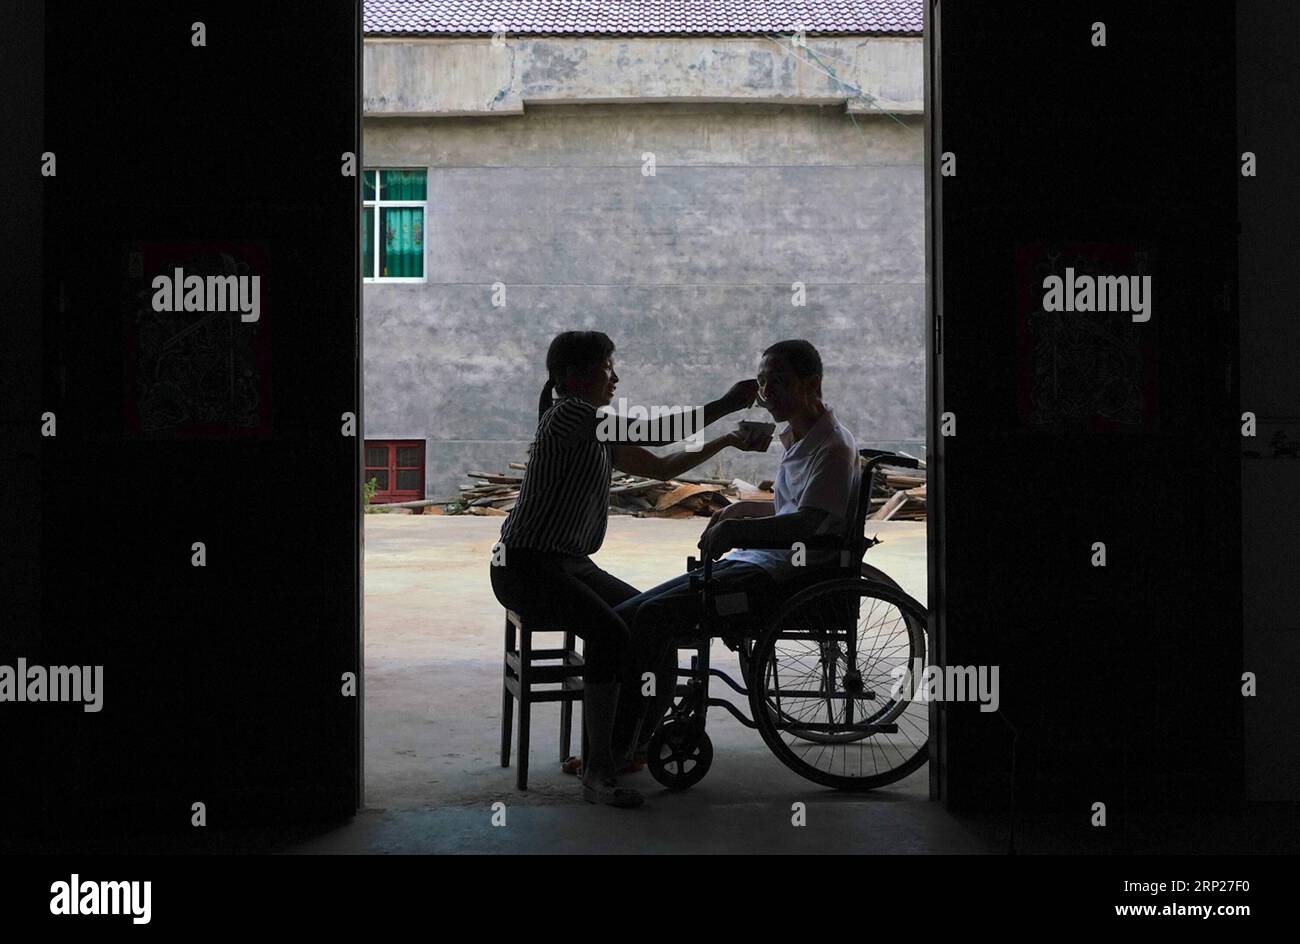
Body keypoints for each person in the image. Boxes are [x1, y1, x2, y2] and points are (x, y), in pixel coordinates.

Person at [489, 330, 768, 807]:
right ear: (572, 377)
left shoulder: (593, 428)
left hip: (571, 565)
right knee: (612, 634)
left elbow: (663, 466)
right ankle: (598, 772)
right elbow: (658, 432)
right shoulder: (572, 415)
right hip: (527, 569)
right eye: (606, 368)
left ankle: (628, 746)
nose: (615, 377)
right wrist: (724, 405)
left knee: (650, 619)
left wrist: (725, 440)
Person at [609, 339, 861, 767]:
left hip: (781, 579)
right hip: (757, 562)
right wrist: (739, 510)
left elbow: (807, 525)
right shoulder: (800, 439)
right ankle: (630, 738)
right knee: (631, 611)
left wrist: (739, 530)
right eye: (763, 382)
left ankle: (624, 747)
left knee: (651, 618)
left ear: (812, 383)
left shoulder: (832, 448)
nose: (768, 393)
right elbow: (791, 509)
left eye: (779, 381)